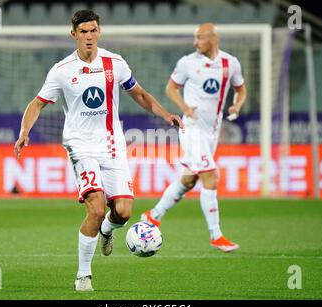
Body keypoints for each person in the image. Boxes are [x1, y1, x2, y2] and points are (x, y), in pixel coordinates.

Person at [14, 10, 183, 292]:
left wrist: (167, 116)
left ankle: (107, 230)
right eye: (83, 32)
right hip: (81, 146)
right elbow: (37, 103)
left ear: (99, 32)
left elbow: (139, 94)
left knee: (124, 212)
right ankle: (83, 275)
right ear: (74, 35)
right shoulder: (62, 70)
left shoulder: (115, 63)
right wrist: (24, 132)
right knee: (95, 207)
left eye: (93, 31)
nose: (89, 36)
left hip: (113, 145)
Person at [141, 23, 247, 253]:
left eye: (199, 38)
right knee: (210, 175)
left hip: (212, 131)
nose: (195, 42)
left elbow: (241, 89)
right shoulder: (187, 62)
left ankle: (153, 215)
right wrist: (184, 108)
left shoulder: (231, 63)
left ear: (213, 39)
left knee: (189, 180)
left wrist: (237, 106)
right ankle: (216, 235)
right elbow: (170, 88)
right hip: (192, 129)